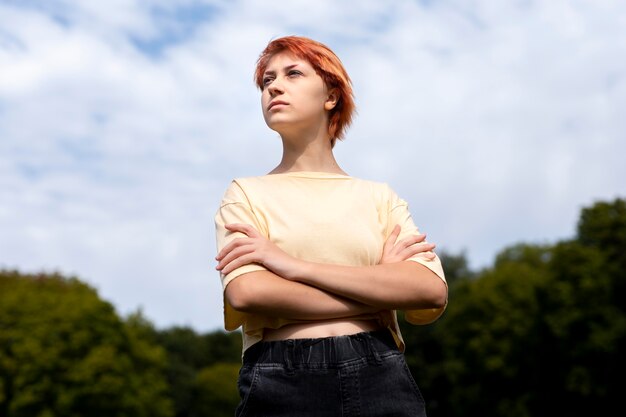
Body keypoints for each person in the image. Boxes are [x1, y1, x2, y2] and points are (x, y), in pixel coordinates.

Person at [214, 35, 448, 417]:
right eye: (266, 80)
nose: (274, 86)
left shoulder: (380, 198)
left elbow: (429, 289)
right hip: (280, 378)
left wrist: (294, 267)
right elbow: (247, 292)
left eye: (293, 73)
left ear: (331, 96)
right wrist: (380, 289)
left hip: (380, 373)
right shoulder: (245, 194)